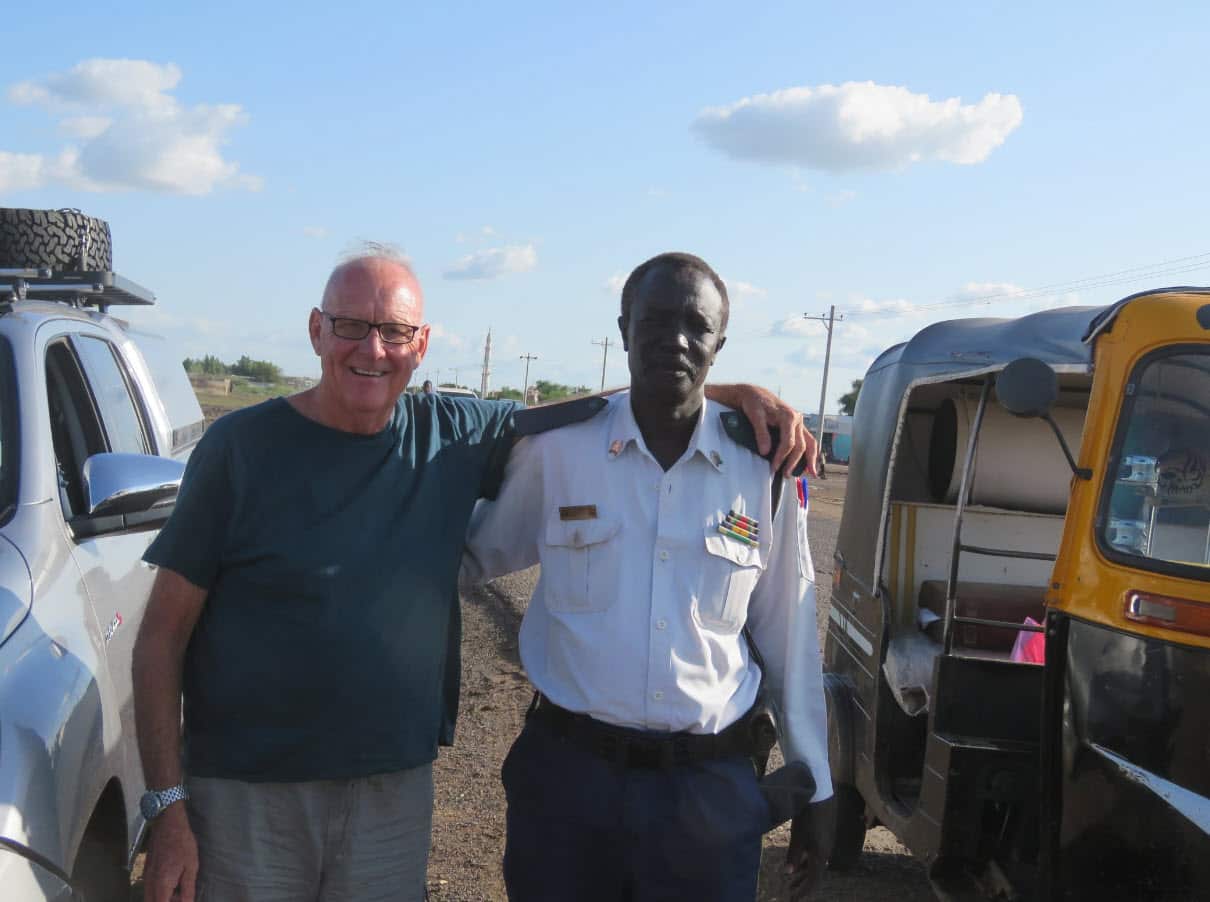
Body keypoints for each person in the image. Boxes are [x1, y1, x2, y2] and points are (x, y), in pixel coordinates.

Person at [132, 244, 819, 902]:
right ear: (316, 330)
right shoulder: (243, 448)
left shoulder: (458, 430)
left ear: (421, 344)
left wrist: (717, 390)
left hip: (417, 792)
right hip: (273, 790)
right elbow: (162, 636)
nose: (373, 350)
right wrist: (167, 806)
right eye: (350, 327)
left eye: (394, 332)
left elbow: (790, 633)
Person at [463, 252, 835, 901]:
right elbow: (475, 556)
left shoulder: (763, 470)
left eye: (696, 325)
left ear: (721, 343)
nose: (675, 340)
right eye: (655, 320)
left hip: (707, 798)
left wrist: (818, 788)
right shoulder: (560, 450)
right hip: (567, 787)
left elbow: (789, 640)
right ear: (623, 325)